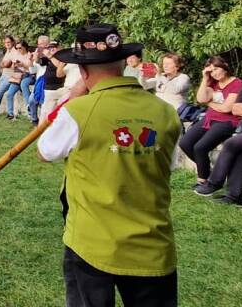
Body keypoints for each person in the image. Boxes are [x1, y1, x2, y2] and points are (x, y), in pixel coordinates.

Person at [37, 24, 179, 307]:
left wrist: (76, 95)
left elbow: (45, 151)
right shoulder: (166, 112)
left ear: (84, 71)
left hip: (92, 245)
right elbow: (169, 165)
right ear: (123, 63)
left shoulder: (78, 111)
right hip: (153, 248)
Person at [180, 56, 242, 189]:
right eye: (211, 71)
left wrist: (209, 102)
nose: (214, 73)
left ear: (225, 67)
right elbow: (201, 98)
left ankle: (203, 180)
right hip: (209, 119)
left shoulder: (237, 84)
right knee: (185, 143)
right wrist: (204, 78)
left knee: (200, 147)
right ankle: (209, 174)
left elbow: (227, 108)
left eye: (217, 69)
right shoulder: (212, 83)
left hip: (228, 122)